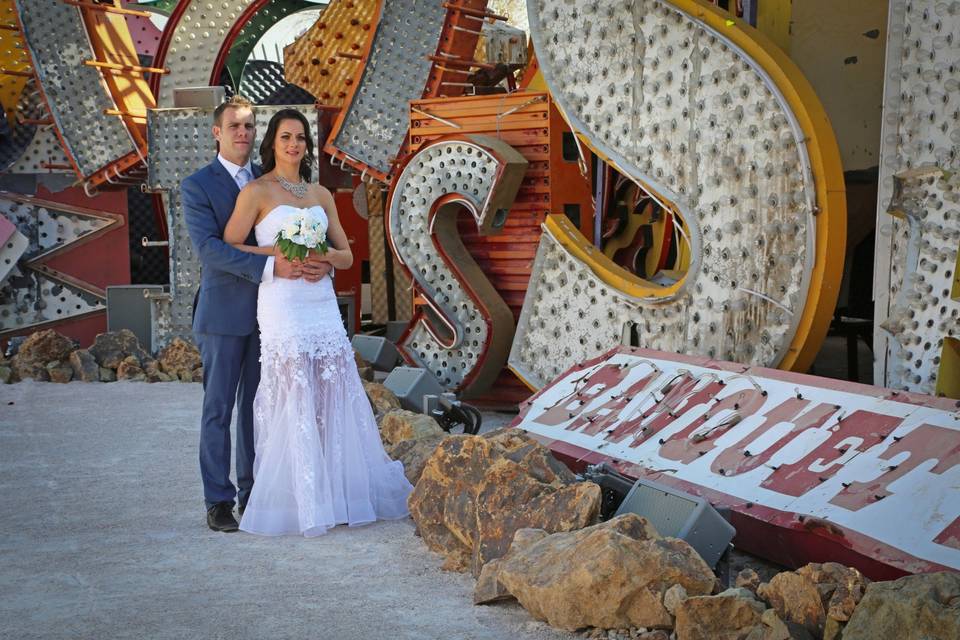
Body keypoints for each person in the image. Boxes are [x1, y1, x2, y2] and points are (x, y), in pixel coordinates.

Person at [223, 108, 412, 536]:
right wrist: (278, 259)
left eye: (301, 138)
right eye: (286, 137)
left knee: (334, 391)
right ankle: (302, 502)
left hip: (320, 304)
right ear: (272, 142)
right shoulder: (256, 191)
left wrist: (325, 261)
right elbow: (232, 247)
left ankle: (341, 495)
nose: (294, 145)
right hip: (282, 302)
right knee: (293, 392)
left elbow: (346, 254)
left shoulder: (321, 194)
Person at [182, 96, 331, 533]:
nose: (242, 133)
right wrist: (272, 264)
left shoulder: (273, 181)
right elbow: (210, 249)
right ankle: (218, 500)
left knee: (258, 406)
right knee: (219, 409)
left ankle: (253, 493)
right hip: (224, 313)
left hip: (275, 313)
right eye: (234, 126)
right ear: (217, 132)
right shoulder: (197, 185)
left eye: (248, 126)